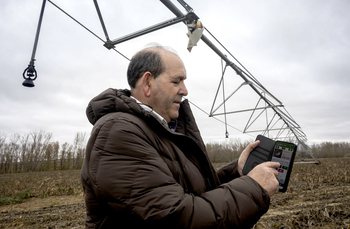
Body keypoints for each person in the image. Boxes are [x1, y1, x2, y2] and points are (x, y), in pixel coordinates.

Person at [81, 44, 280, 229]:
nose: (185, 90)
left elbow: (195, 192)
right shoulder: (118, 132)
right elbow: (177, 217)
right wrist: (253, 187)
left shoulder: (161, 129)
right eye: (177, 81)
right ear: (148, 83)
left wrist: (236, 171)